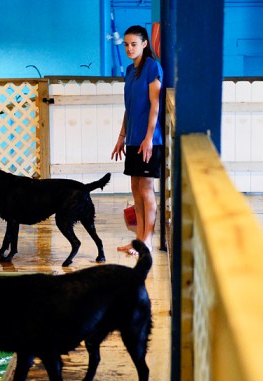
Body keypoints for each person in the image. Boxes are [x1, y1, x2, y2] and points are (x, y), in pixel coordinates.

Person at [111, 25, 163, 256]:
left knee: (146, 189)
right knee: (135, 188)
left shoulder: (152, 67)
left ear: (144, 44)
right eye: (126, 44)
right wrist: (122, 136)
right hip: (132, 139)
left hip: (149, 140)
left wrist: (149, 138)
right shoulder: (130, 72)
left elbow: (155, 105)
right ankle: (138, 240)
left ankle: (148, 240)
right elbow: (129, 109)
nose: (129, 48)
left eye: (134, 44)